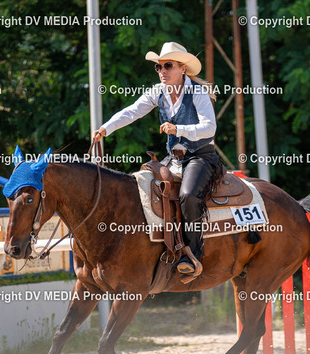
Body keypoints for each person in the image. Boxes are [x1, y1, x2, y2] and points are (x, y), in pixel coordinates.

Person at [93, 42, 219, 275]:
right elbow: (132, 111)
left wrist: (178, 129)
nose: (162, 71)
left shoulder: (197, 92)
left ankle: (193, 254)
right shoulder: (157, 91)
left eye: (168, 66)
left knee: (188, 195)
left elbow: (209, 128)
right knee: (143, 188)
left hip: (200, 156)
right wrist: (105, 128)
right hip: (174, 158)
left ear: (182, 68)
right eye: (159, 67)